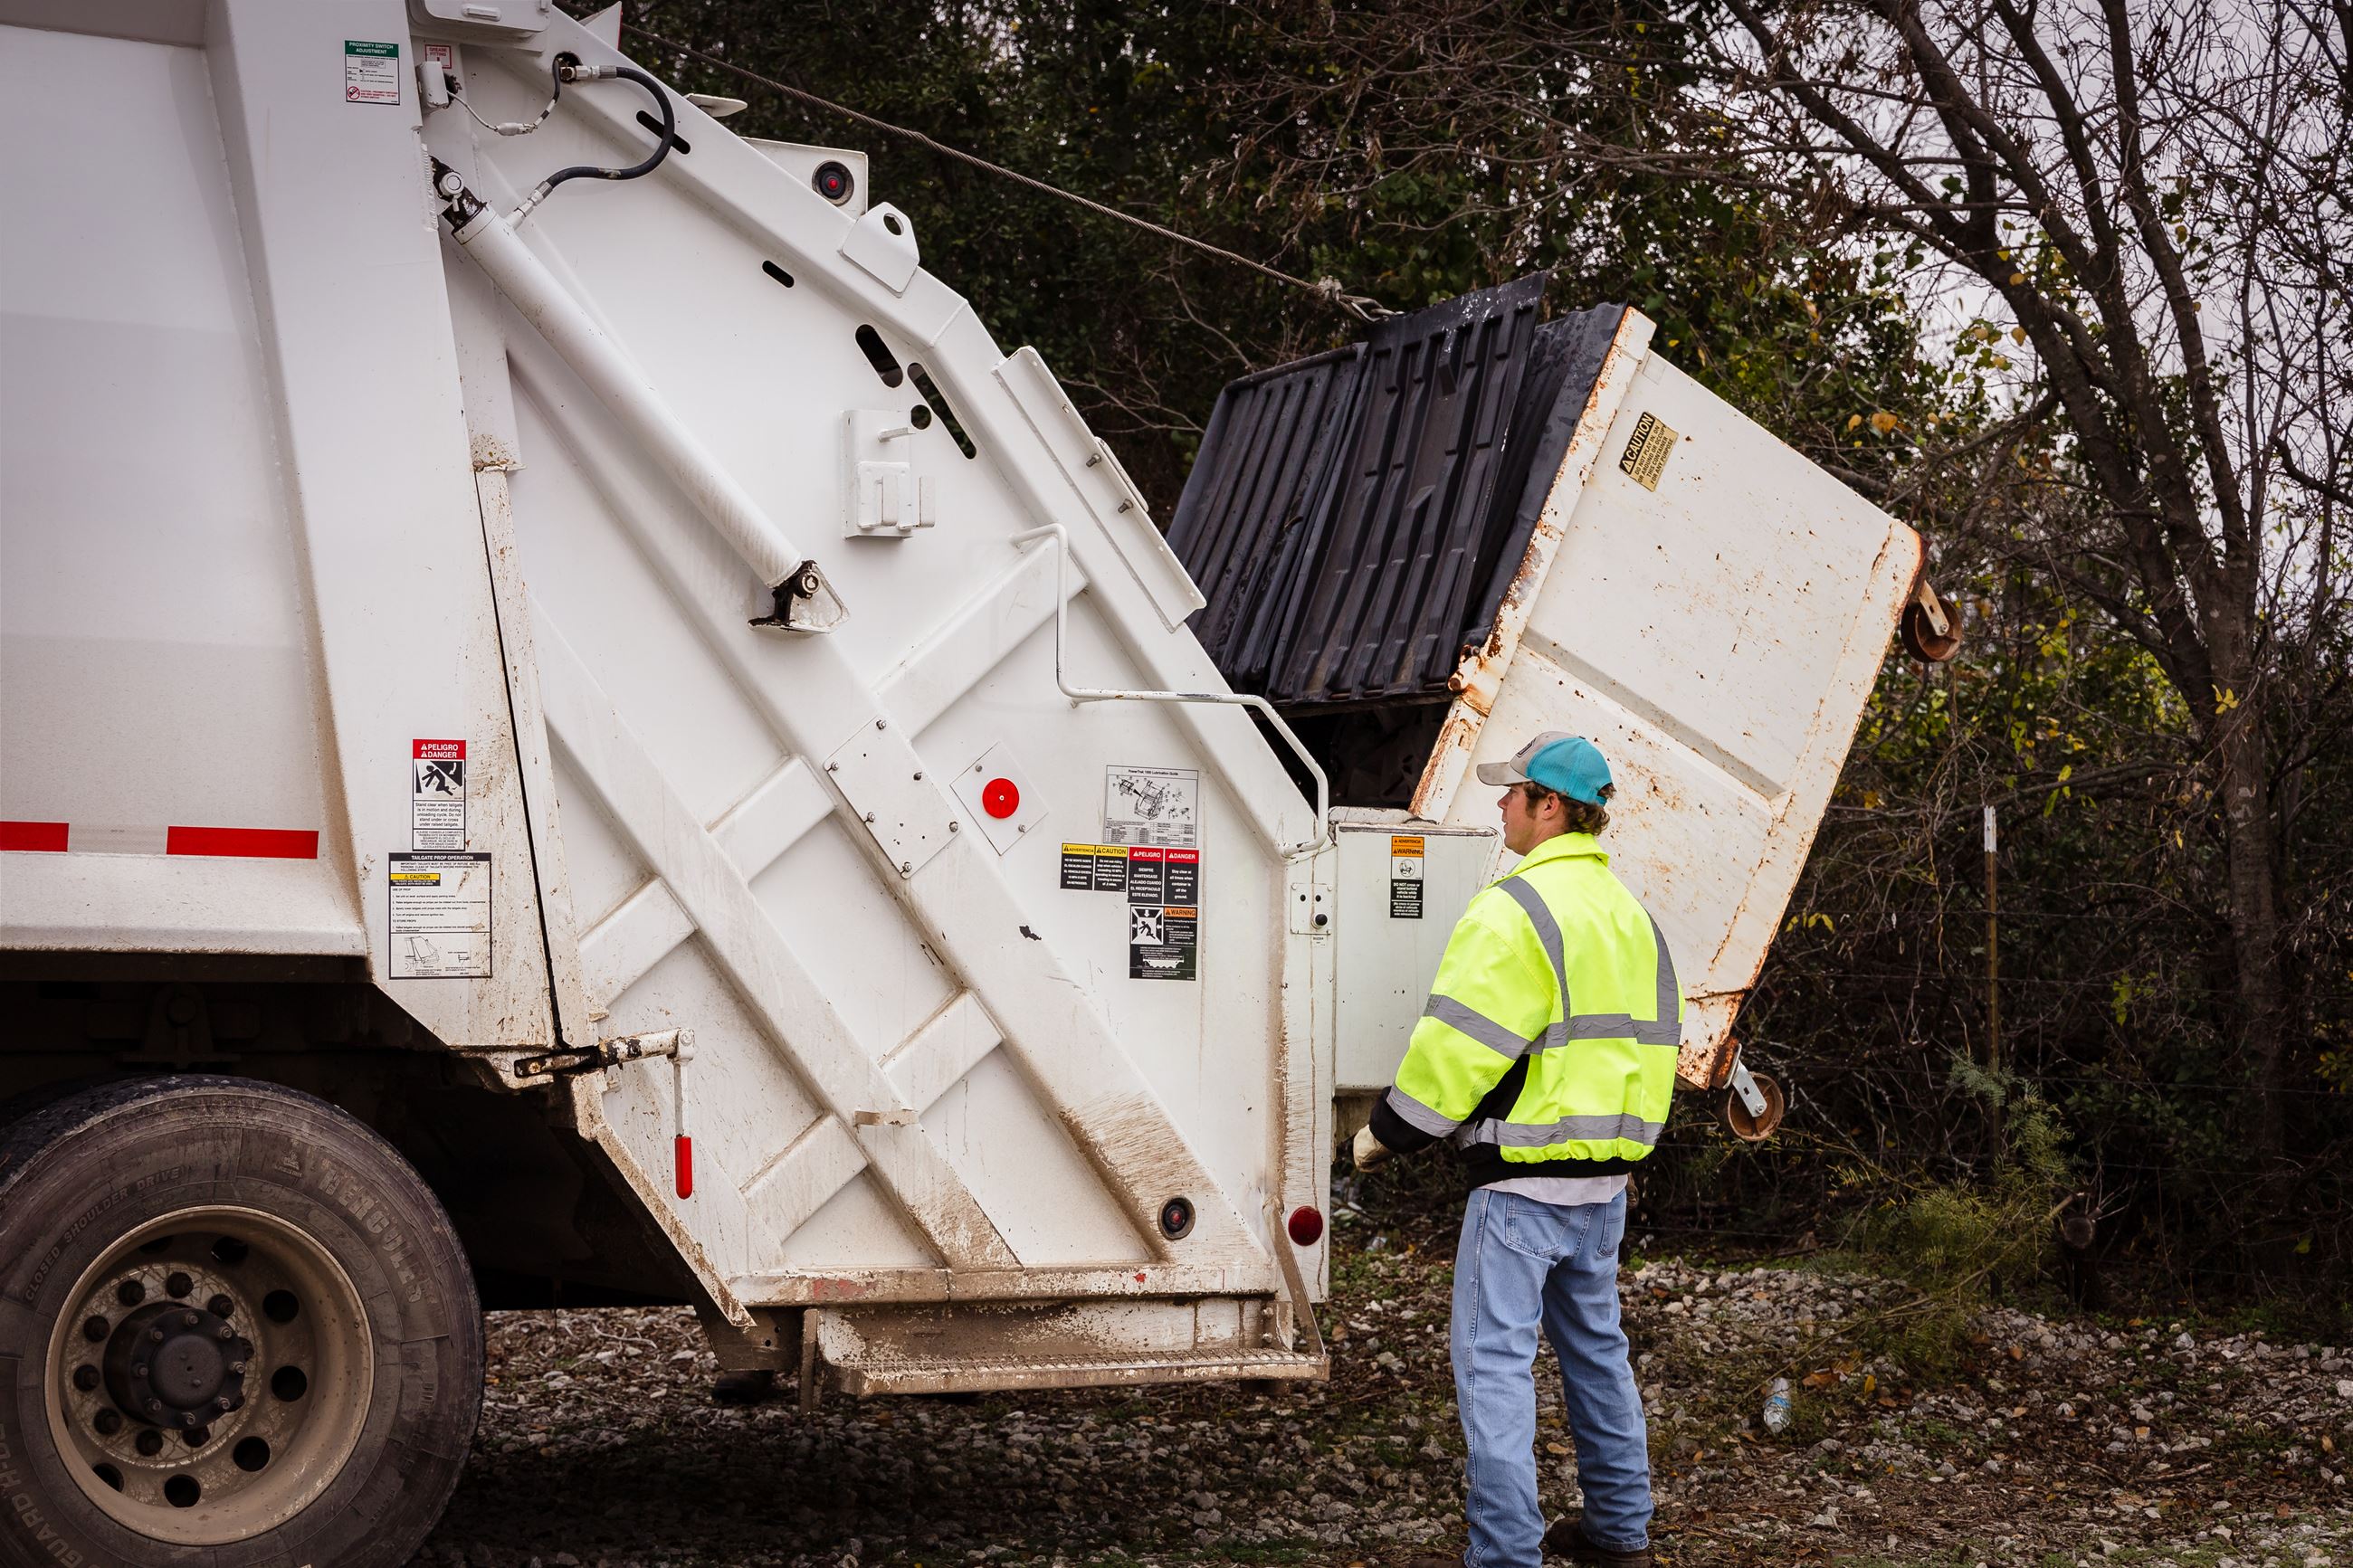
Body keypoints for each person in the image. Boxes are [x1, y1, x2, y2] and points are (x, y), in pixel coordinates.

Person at [1355, 732, 1681, 1568]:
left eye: (1513, 792)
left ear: (1551, 806)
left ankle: (1505, 1556)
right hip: (1605, 1185)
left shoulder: (1516, 909)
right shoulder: (1634, 918)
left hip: (1520, 1189)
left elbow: (1456, 1050)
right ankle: (1619, 1533)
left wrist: (1384, 1133)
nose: (1499, 804)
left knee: (1494, 1370)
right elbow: (1651, 1050)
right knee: (1598, 1354)